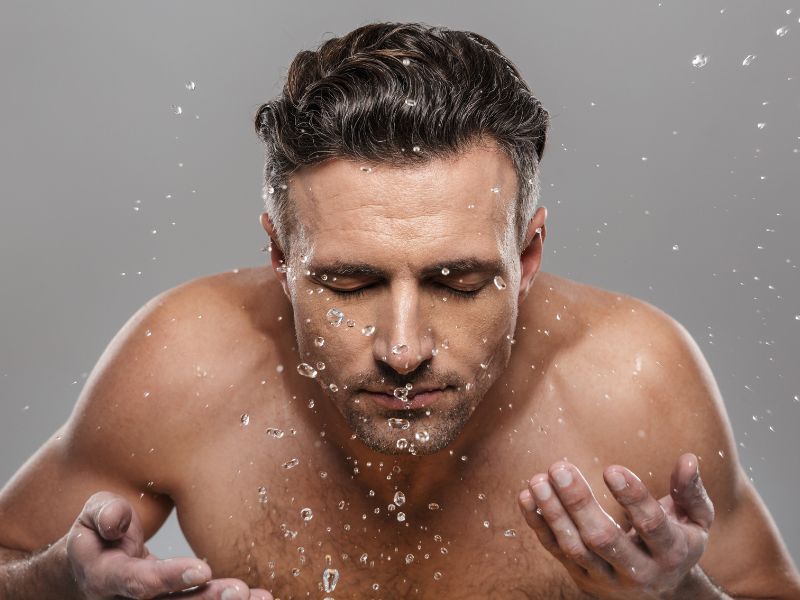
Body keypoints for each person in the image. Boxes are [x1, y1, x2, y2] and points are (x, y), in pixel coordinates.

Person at [1, 21, 799, 600]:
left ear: (526, 259)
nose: (404, 347)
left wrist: (684, 597)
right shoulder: (184, 359)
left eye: (458, 282)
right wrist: (57, 586)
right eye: (349, 285)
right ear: (282, 258)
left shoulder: (636, 379)